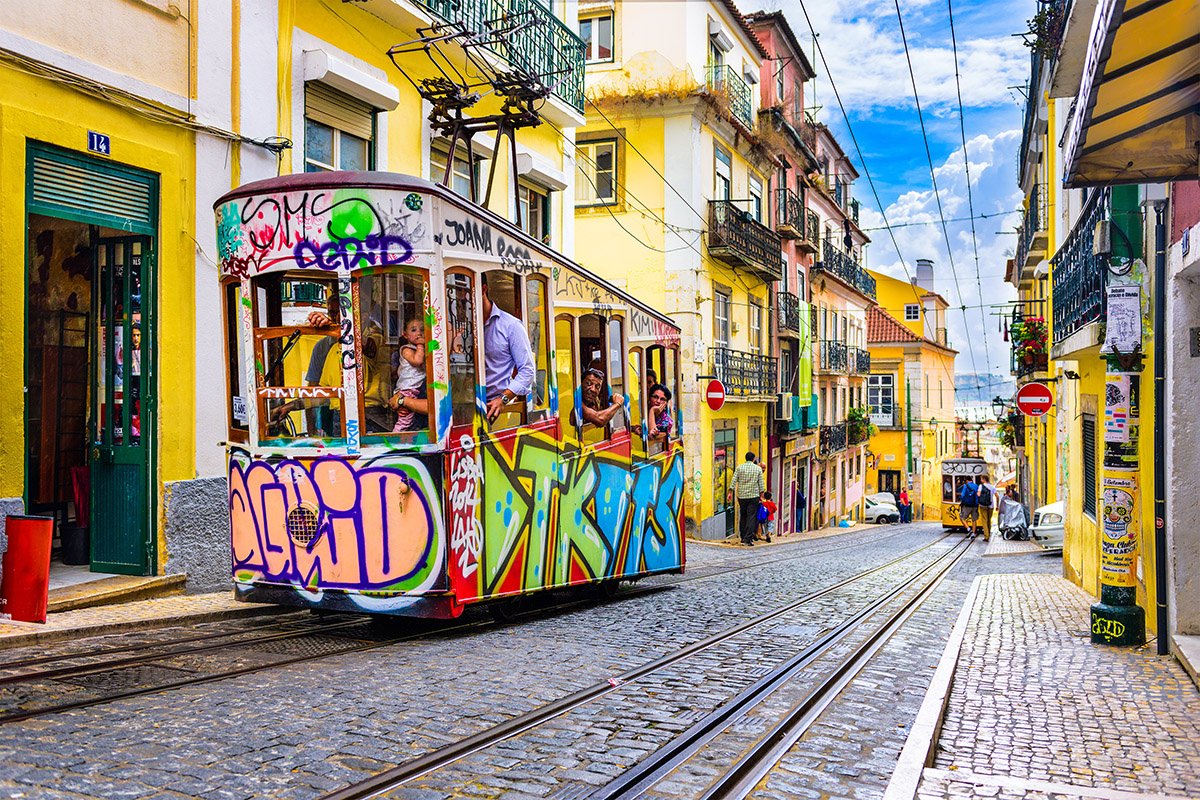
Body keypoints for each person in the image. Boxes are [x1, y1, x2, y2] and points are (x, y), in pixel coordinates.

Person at [481, 274, 536, 423]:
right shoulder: (462, 325)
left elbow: (528, 371)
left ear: (483, 289)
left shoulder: (511, 326)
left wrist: (503, 399)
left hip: (499, 410)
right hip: (466, 409)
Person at [390, 317, 426, 432]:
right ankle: (396, 437)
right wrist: (421, 345)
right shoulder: (407, 349)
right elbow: (418, 361)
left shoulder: (417, 349)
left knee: (410, 419)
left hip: (414, 389)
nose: (419, 333)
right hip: (408, 389)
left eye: (422, 330)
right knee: (405, 420)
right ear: (405, 335)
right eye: (414, 330)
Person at [733, 452, 765, 546]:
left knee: (743, 515)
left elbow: (734, 480)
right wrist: (762, 494)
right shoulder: (758, 469)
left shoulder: (739, 467)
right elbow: (761, 483)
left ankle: (743, 537)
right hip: (753, 496)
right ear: (753, 459)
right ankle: (748, 538)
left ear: (745, 458)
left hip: (742, 496)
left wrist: (730, 491)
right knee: (751, 517)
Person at [977, 474, 994, 542]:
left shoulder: (981, 486)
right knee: (988, 520)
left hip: (983, 505)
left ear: (984, 479)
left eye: (981, 479)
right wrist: (998, 506)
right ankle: (988, 534)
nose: (981, 480)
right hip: (991, 505)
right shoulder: (992, 487)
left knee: (984, 520)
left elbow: (978, 494)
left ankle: (986, 536)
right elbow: (997, 496)